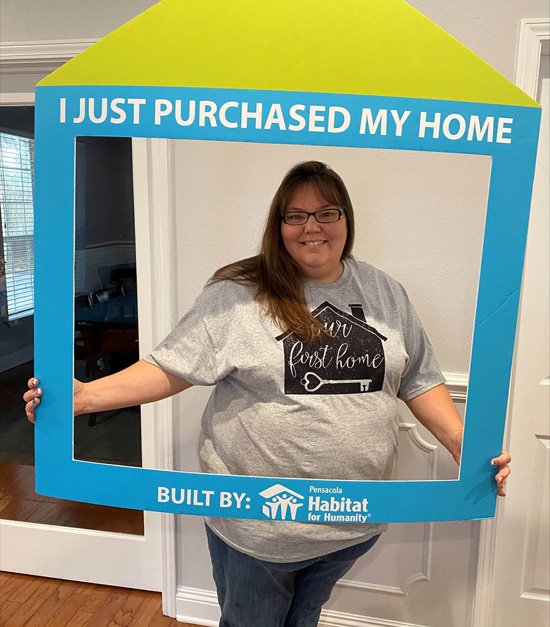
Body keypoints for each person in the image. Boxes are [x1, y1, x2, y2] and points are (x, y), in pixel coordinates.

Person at [24, 161, 511, 627]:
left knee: (303, 618)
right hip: (259, 530)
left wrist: (461, 442)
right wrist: (85, 397)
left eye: (326, 212)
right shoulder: (239, 293)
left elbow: (418, 378)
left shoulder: (385, 292)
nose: (312, 226)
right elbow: (172, 366)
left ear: (346, 219)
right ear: (278, 226)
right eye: (295, 215)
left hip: (352, 520)